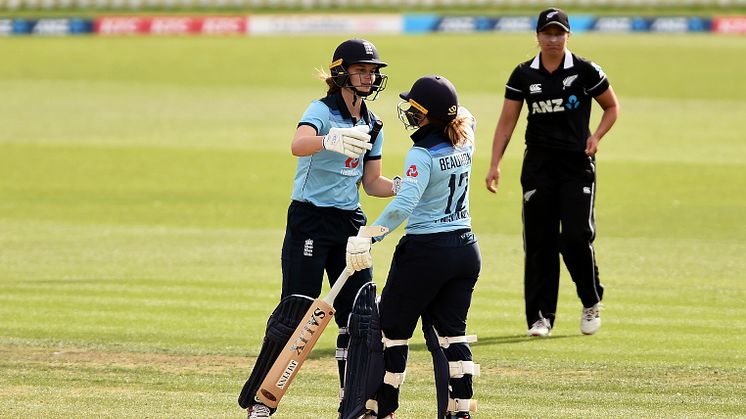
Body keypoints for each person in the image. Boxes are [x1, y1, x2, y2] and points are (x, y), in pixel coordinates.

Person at [238, 38, 398, 419]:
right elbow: (297, 144)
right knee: (295, 312)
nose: (369, 76)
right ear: (342, 72)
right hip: (310, 218)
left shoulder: (373, 123)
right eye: (361, 69)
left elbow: (371, 182)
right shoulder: (321, 110)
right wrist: (328, 140)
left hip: (349, 224)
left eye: (373, 71)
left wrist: (403, 186)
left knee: (361, 316)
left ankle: (355, 404)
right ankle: (261, 401)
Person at [346, 75, 481, 419]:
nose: (410, 112)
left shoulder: (421, 154)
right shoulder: (466, 135)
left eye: (415, 108)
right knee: (453, 335)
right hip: (465, 250)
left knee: (391, 332)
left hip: (426, 252)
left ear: (427, 115)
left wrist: (368, 235)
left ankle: (380, 408)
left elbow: (404, 206)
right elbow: (462, 113)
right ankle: (461, 411)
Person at [484, 8, 620, 337]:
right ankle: (540, 318)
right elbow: (507, 122)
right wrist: (494, 164)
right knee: (539, 242)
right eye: (548, 33)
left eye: (559, 33)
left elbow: (612, 107)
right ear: (537, 36)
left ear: (568, 36)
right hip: (538, 167)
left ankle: (590, 300)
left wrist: (596, 136)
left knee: (575, 237)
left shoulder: (586, 70)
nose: (553, 39)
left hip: (576, 164)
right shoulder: (522, 75)